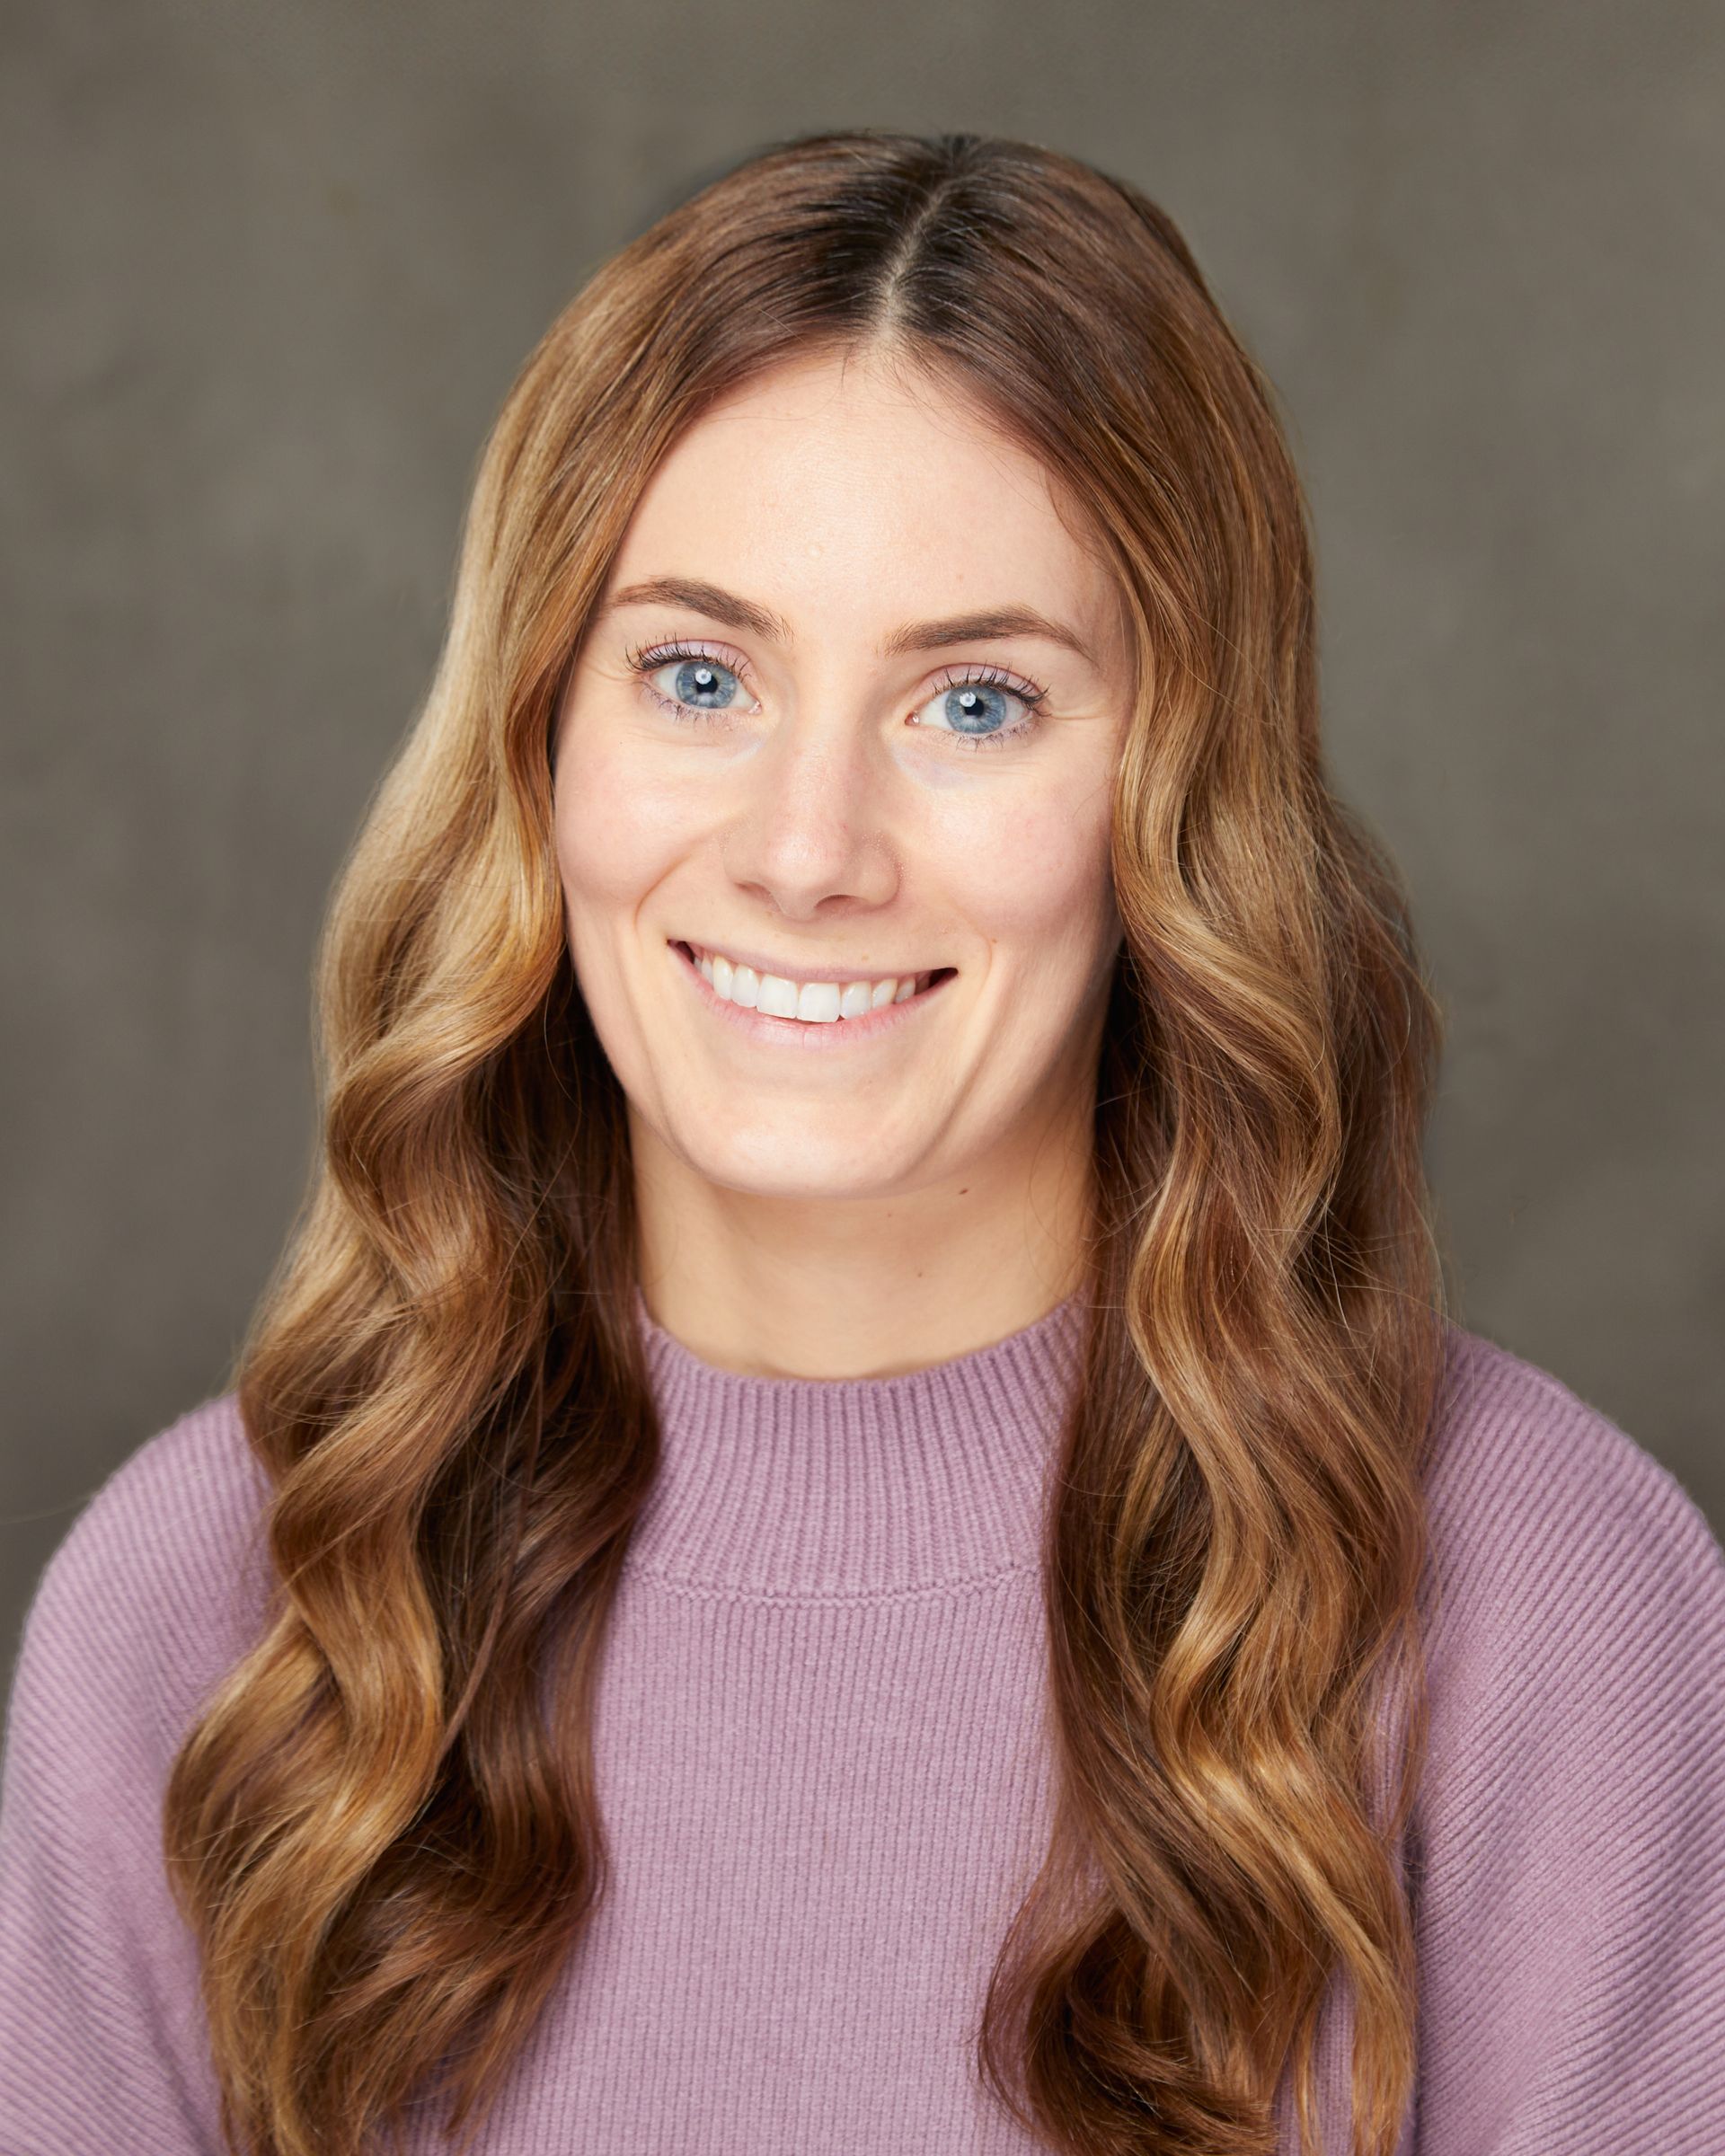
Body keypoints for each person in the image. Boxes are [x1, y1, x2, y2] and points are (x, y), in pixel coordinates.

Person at [1, 128, 1721, 2156]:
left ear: (1178, 800)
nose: (808, 851)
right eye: (697, 675)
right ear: (539, 744)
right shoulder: (213, 1617)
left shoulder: (1540, 1599)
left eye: (975, 704)